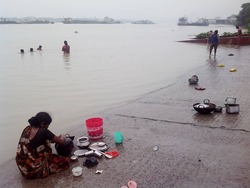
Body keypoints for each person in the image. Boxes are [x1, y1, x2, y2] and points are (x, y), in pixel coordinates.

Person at [16, 112, 71, 179]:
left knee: (47, 141)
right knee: (66, 161)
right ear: (42, 124)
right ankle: (42, 169)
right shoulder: (43, 131)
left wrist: (53, 138)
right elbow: (62, 142)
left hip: (23, 167)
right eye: (48, 125)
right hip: (32, 170)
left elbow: (35, 141)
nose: (48, 127)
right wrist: (63, 137)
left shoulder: (27, 128)